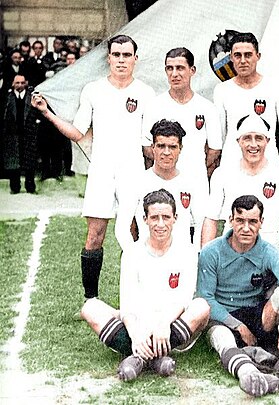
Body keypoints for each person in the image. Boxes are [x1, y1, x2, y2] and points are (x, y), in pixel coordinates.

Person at [31, 34, 156, 301]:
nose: (121, 60)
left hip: (133, 172)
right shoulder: (93, 89)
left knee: (135, 234)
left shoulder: (145, 93)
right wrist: (46, 112)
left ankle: (135, 297)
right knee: (95, 234)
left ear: (136, 58)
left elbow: (149, 143)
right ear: (109, 58)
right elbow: (77, 132)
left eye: (126, 55)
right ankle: (91, 299)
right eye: (116, 55)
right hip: (101, 170)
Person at [81, 189, 210, 381]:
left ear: (175, 218)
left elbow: (184, 299)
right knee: (90, 307)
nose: (160, 224)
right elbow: (127, 303)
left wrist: (163, 323)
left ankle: (138, 358)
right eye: (154, 217)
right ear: (145, 219)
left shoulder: (187, 251)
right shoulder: (132, 252)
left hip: (170, 323)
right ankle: (156, 357)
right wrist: (135, 333)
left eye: (166, 217)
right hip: (138, 320)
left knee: (201, 307)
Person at [197, 195, 279, 397]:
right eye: (240, 221)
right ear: (230, 220)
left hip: (257, 315)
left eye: (252, 222)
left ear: (261, 223)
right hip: (223, 317)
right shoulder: (211, 251)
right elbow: (206, 298)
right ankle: (247, 373)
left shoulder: (269, 252)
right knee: (221, 336)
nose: (246, 228)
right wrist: (237, 326)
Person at [115, 119, 204, 251]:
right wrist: (134, 256)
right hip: (147, 257)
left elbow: (201, 225)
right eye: (161, 146)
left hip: (181, 259)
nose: (167, 152)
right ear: (153, 148)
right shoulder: (136, 181)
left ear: (180, 149)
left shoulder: (192, 182)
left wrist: (195, 256)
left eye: (172, 147)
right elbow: (122, 227)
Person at [142, 47, 222, 188]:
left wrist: (195, 168)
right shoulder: (154, 106)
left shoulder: (207, 108)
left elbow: (214, 149)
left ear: (192, 70)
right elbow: (147, 146)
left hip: (195, 182)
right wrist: (167, 167)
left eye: (180, 68)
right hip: (162, 183)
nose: (174, 74)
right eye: (169, 68)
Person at [202, 114, 279, 247]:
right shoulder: (222, 174)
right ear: (239, 141)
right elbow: (211, 219)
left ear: (267, 141)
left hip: (267, 255)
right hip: (231, 253)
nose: (253, 144)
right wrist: (205, 256)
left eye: (259, 138)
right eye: (247, 138)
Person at [213, 32, 279, 167]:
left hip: (268, 166)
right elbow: (219, 135)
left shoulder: (273, 87)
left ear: (258, 56)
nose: (243, 60)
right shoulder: (222, 90)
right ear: (231, 57)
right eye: (238, 55)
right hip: (232, 164)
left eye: (248, 55)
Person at [2, 74, 40, 194]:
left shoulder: (31, 97)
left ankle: (30, 187)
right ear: (13, 84)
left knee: (29, 161)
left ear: (26, 83)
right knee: (13, 162)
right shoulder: (7, 97)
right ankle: (15, 188)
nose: (20, 85)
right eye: (17, 83)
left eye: (22, 83)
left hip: (28, 134)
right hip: (12, 135)